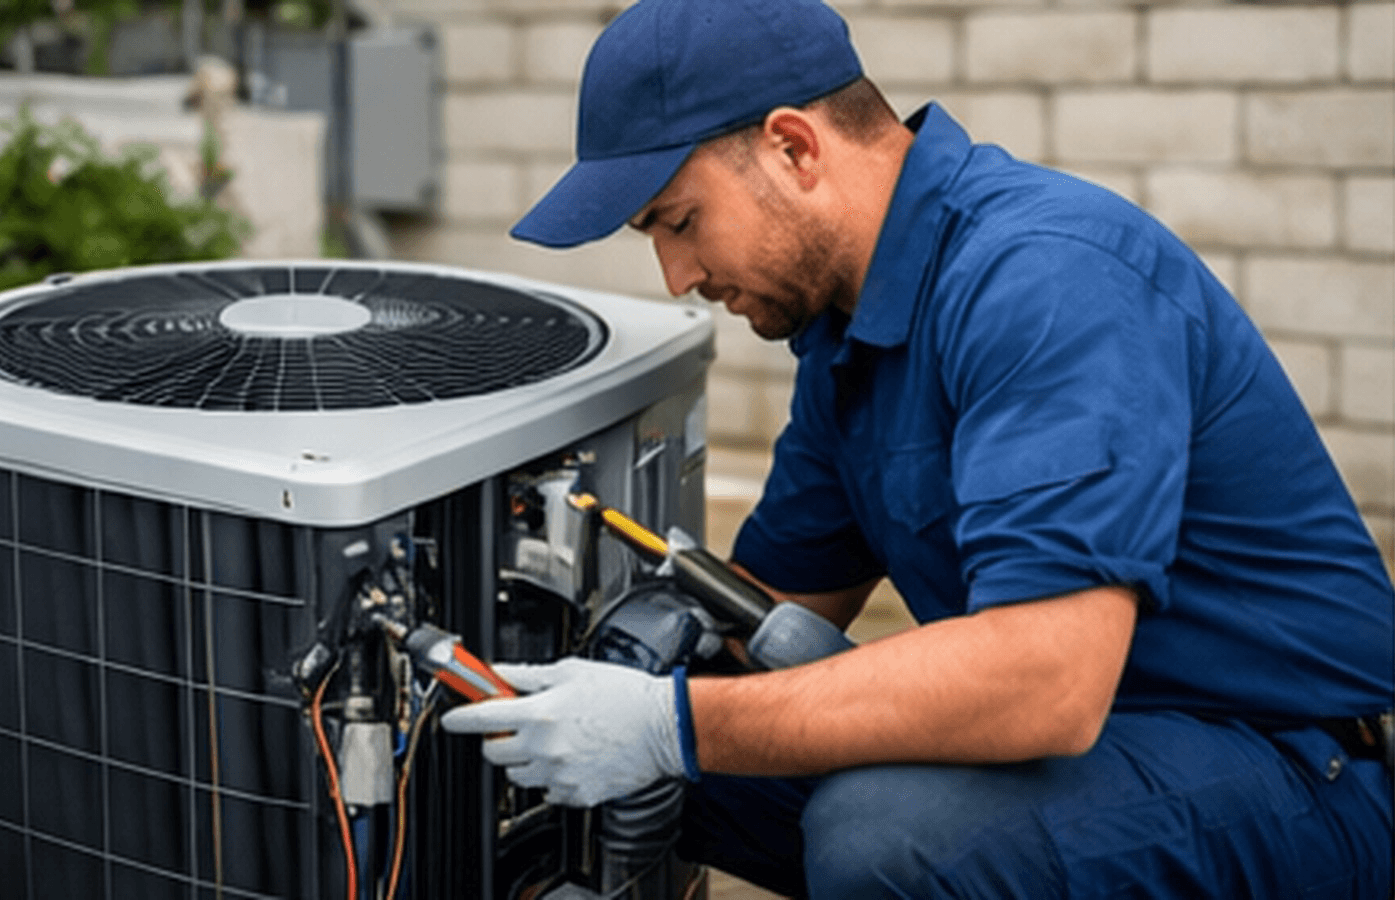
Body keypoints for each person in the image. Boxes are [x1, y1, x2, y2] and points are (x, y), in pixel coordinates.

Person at [441, 0, 1395, 895]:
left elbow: (1042, 684)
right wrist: (604, 676)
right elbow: (768, 616)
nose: (679, 275)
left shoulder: (1045, 279)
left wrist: (669, 725)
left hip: (1298, 767)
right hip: (1110, 752)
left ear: (793, 147)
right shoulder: (847, 334)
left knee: (884, 833)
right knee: (659, 763)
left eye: (680, 222)